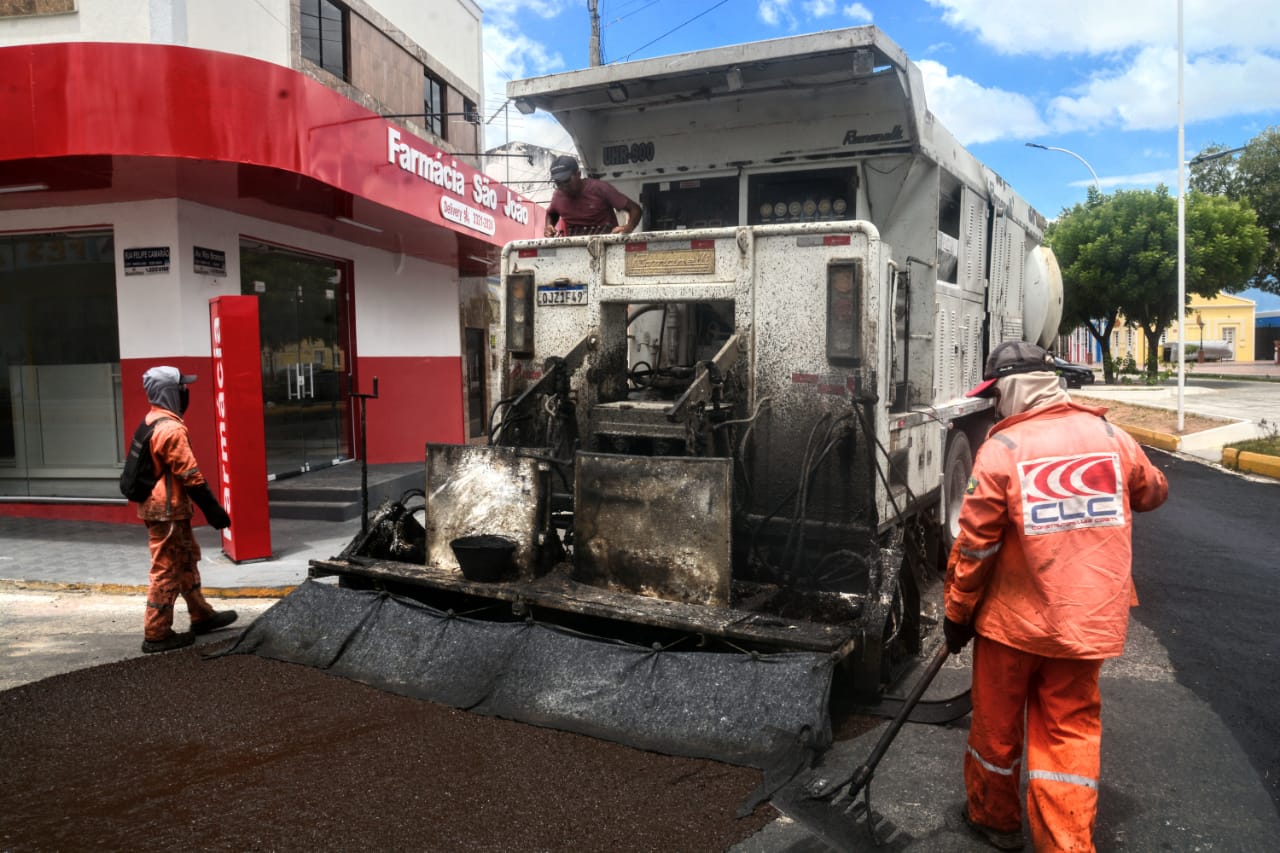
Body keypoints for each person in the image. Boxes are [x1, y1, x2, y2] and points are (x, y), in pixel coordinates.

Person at [944, 341, 1168, 851]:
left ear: (1013, 388)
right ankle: (1066, 844)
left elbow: (975, 549)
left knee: (996, 731)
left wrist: (956, 613)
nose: (996, 404)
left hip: (1010, 627)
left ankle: (995, 820)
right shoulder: (1111, 437)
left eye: (996, 392)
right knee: (1068, 733)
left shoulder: (1003, 451)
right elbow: (1153, 492)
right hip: (1083, 624)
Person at [135, 366, 238, 654]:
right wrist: (214, 510)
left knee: (186, 560)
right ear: (170, 392)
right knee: (166, 568)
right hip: (166, 511)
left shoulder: (153, 419)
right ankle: (156, 633)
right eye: (182, 387)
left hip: (164, 509)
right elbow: (191, 475)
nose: (186, 391)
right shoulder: (171, 429)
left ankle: (201, 615)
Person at [544, 154, 643, 237]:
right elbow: (551, 214)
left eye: (566, 181)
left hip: (608, 247)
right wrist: (548, 226)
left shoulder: (600, 188)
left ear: (578, 174)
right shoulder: (558, 196)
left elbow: (635, 209)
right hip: (575, 249)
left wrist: (628, 227)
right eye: (558, 183)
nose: (563, 187)